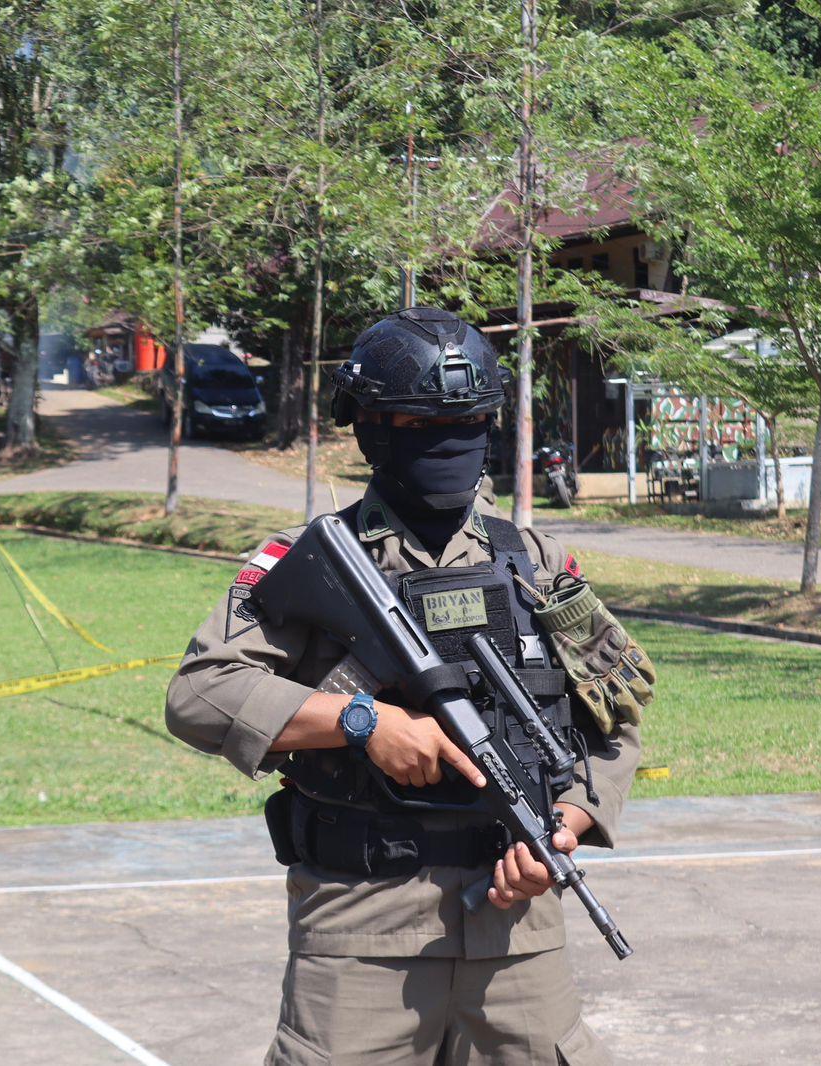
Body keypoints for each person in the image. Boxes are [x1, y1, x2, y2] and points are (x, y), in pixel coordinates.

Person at [166, 307, 655, 1065]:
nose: (448, 444)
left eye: (468, 422)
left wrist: (569, 820)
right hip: (363, 934)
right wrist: (360, 722)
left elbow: (612, 720)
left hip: (517, 933)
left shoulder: (535, 561)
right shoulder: (309, 561)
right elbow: (200, 694)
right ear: (371, 428)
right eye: (421, 423)